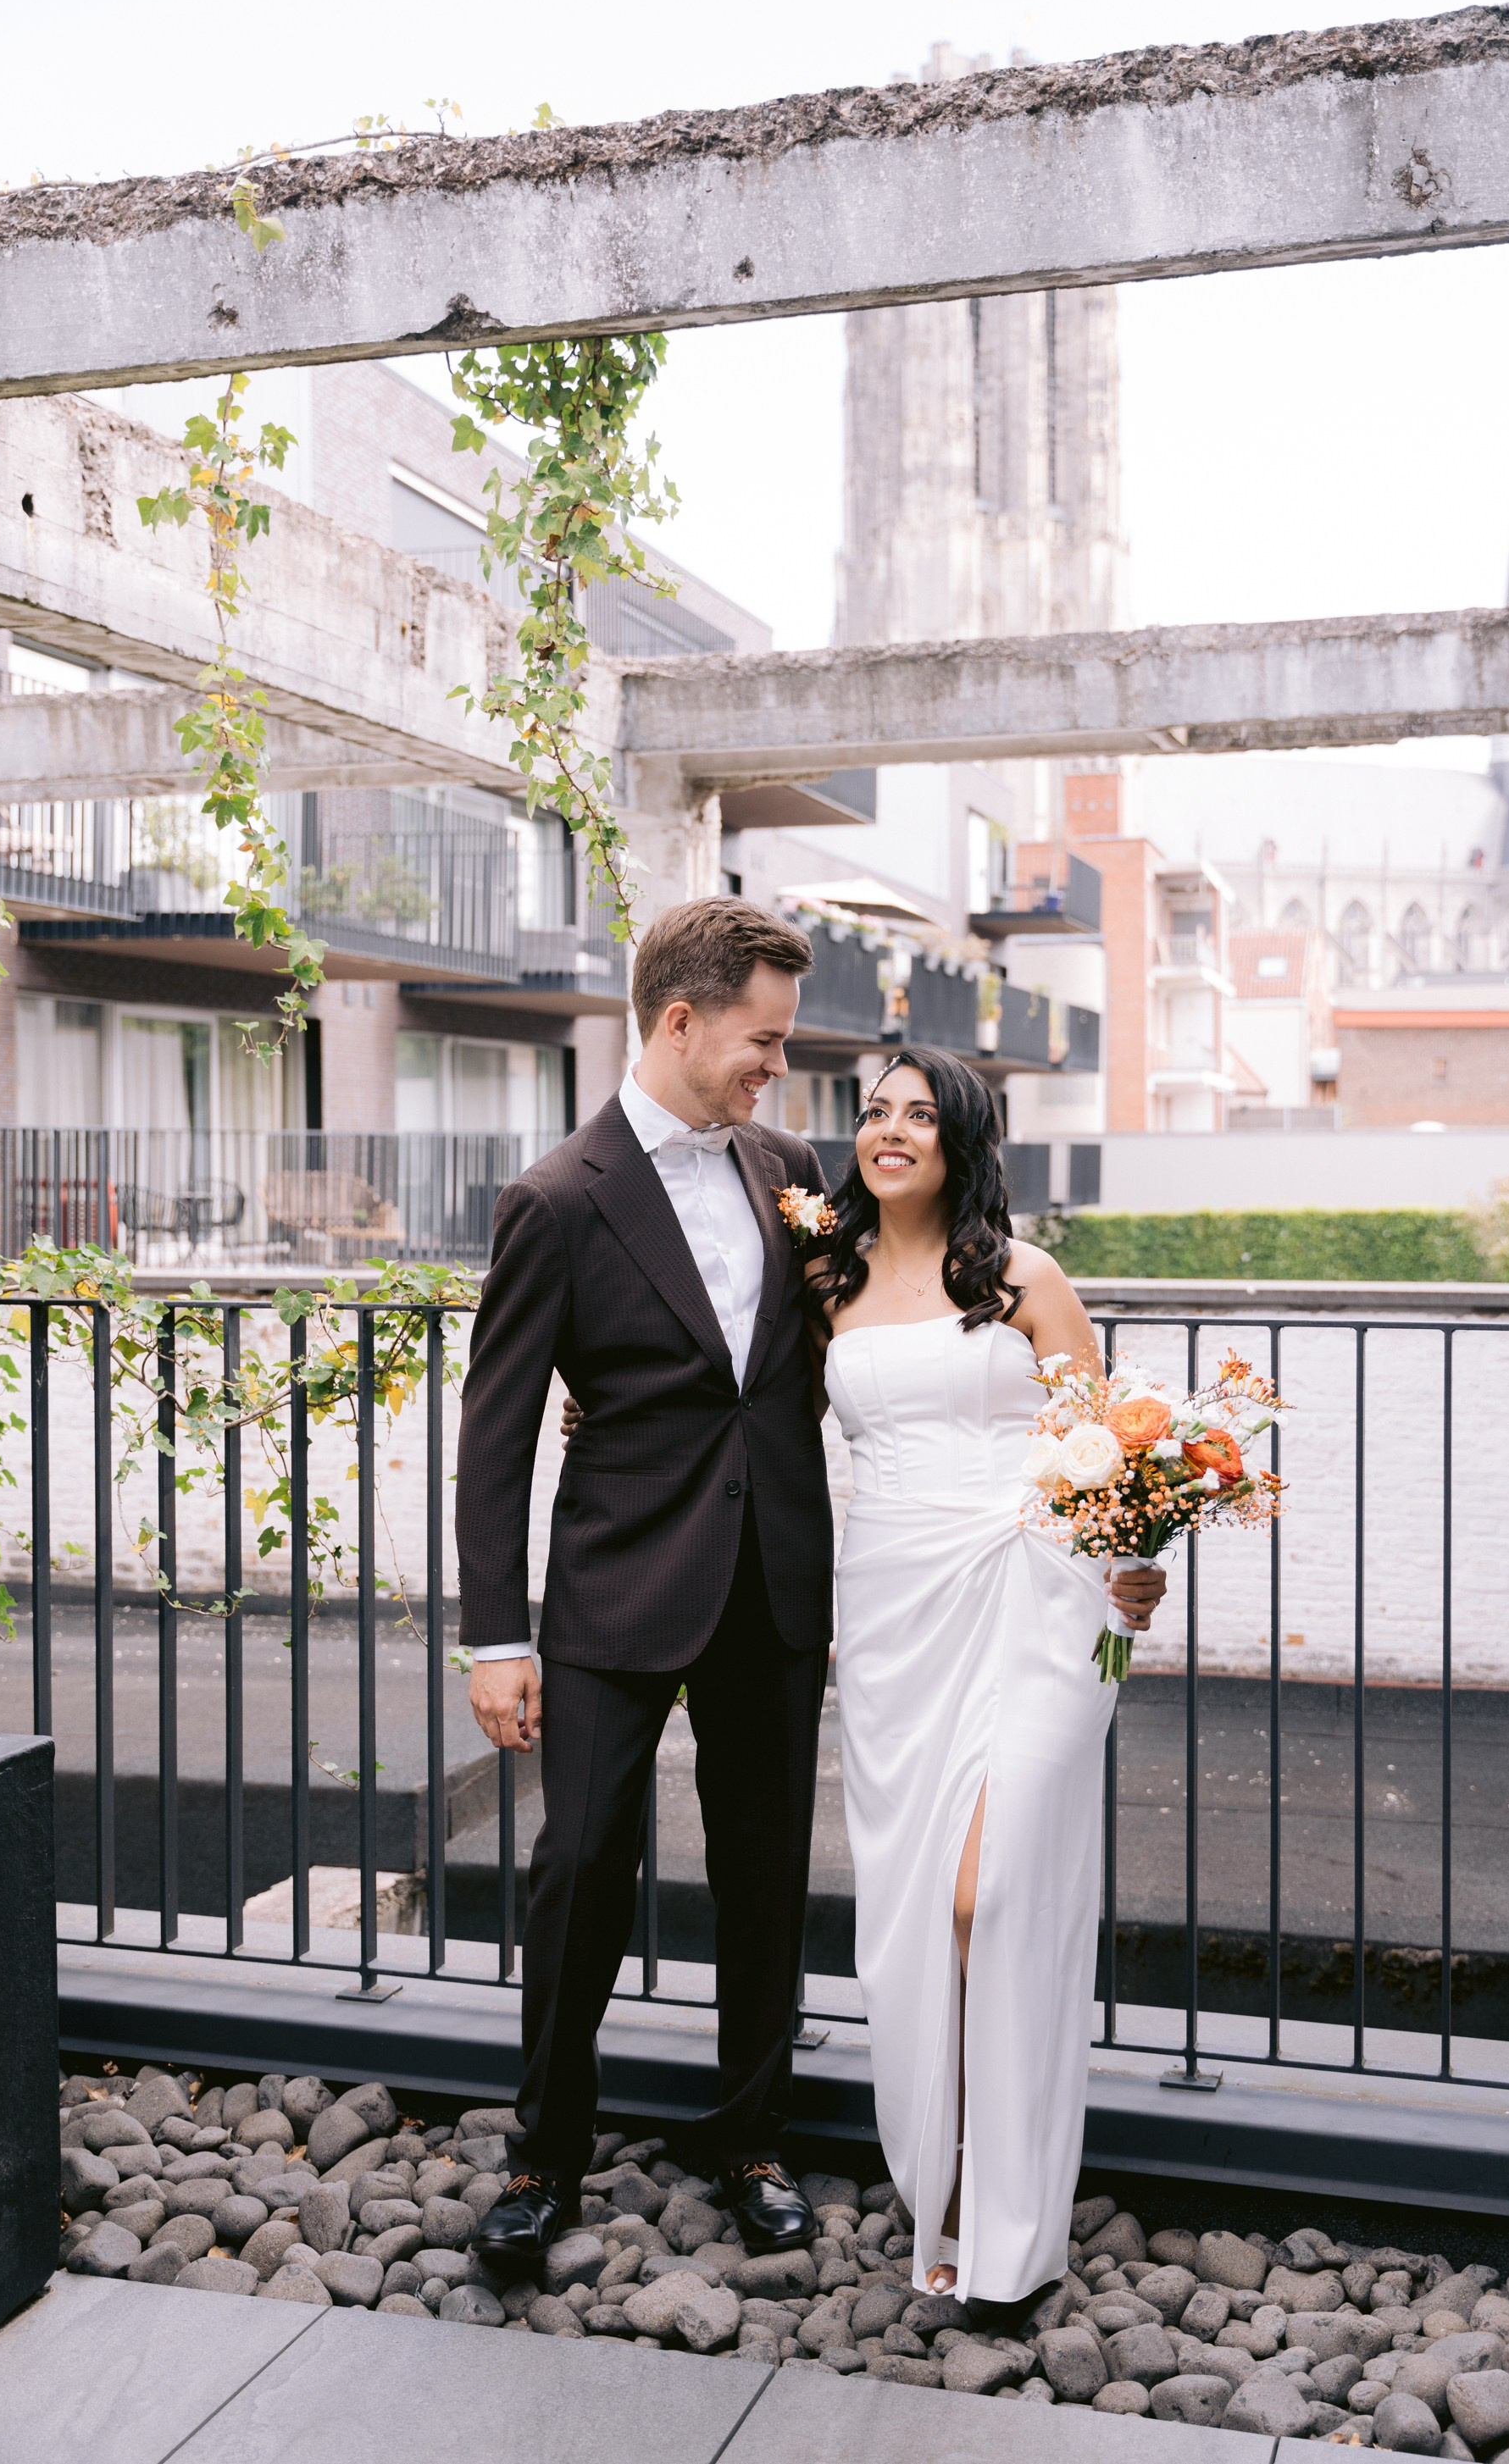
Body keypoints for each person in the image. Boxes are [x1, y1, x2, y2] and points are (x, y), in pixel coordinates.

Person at [456, 896, 835, 2262]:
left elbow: (842, 1340)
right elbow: (495, 1434)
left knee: (765, 1877)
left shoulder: (787, 1164)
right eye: (762, 1038)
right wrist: (494, 1636)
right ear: (680, 1021)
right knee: (578, 1872)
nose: (775, 1065)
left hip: (774, 1585)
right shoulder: (556, 1198)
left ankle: (749, 2138)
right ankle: (545, 2155)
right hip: (614, 1590)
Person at [809, 1046, 1164, 2304]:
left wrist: (1135, 1566)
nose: (888, 1130)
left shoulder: (1023, 1278)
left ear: (961, 1141)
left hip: (1041, 1590)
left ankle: (1009, 2215)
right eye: (871, 1111)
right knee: (914, 1919)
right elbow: (728, 1411)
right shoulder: (823, 1283)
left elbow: (1113, 1450)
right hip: (894, 1612)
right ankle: (941, 2185)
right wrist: (596, 1405)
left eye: (917, 1113)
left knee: (988, 1896)